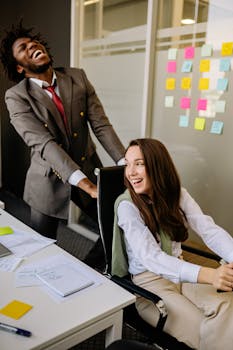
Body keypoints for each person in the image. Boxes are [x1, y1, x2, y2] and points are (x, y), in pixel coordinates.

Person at [0, 21, 125, 269]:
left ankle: (91, 271)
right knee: (41, 247)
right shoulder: (16, 96)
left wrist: (126, 164)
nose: (32, 45)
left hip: (88, 167)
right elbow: (45, 144)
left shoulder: (77, 77)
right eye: (23, 48)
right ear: (20, 67)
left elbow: (101, 125)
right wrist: (87, 185)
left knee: (116, 225)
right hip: (47, 180)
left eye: (33, 42)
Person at [114, 138, 233, 350]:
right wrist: (210, 275)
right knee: (204, 330)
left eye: (139, 164)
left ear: (157, 165)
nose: (130, 172)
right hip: (150, 285)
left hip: (183, 275)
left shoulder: (178, 194)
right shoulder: (127, 207)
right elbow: (152, 258)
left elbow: (209, 230)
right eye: (127, 164)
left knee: (228, 306)